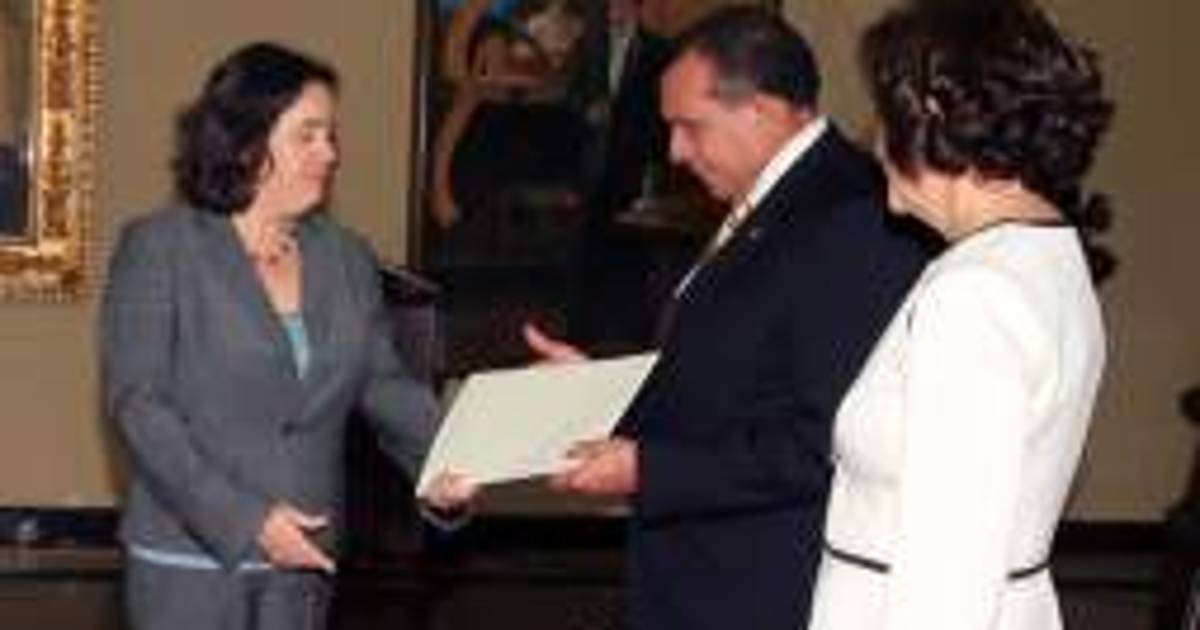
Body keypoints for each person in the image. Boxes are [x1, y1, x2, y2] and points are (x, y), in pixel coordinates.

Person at [526, 8, 931, 630]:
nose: (674, 151)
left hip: (763, 589)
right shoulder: (781, 197)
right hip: (706, 580)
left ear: (762, 110)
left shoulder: (848, 214)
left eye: (690, 127)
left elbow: (820, 441)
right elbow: (726, 376)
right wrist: (596, 391)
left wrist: (648, 470)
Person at [100, 42, 464, 630]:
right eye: (307, 135)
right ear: (245, 142)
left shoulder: (347, 258)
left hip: (304, 561)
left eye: (331, 135)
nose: (330, 152)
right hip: (188, 567)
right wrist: (248, 521)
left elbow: (386, 386)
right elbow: (139, 407)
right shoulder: (159, 248)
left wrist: (446, 465)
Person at [805, 1, 1114, 628]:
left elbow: (949, 573)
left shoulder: (973, 293)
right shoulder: (1047, 253)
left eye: (884, 114)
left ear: (932, 115)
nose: (873, 138)